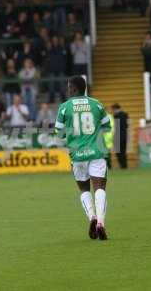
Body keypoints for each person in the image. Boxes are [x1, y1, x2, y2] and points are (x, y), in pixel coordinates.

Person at [55, 76, 111, 240]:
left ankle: (92, 217)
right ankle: (100, 222)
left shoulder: (64, 108)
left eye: (68, 86)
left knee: (84, 189)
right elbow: (107, 127)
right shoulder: (96, 104)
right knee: (99, 187)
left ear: (73, 88)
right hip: (96, 152)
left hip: (77, 155)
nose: (67, 89)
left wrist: (73, 137)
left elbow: (59, 133)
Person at [112, 103, 128, 169]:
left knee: (119, 152)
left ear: (115, 109)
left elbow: (115, 126)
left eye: (113, 109)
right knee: (123, 152)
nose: (113, 111)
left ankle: (122, 166)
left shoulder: (116, 116)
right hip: (124, 136)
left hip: (118, 136)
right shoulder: (125, 115)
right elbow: (127, 125)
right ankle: (124, 166)